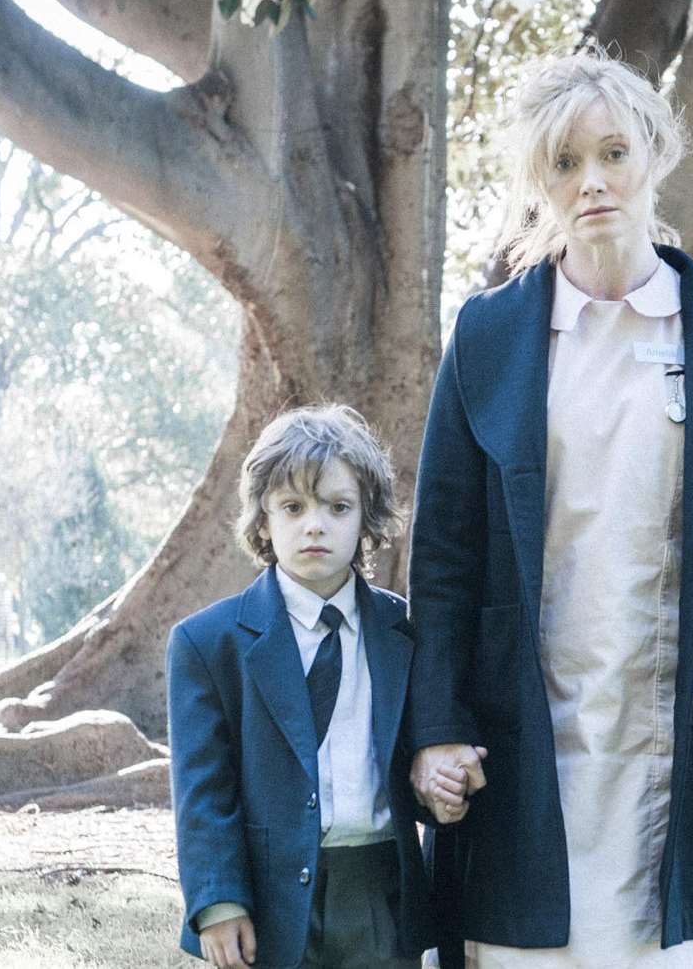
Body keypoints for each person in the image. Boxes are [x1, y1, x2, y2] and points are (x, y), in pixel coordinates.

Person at [404, 46, 693, 969]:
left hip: (681, 739)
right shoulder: (488, 337)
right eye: (564, 163)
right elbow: (444, 559)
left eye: (613, 154)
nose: (592, 182)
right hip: (523, 740)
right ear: (538, 183)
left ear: (656, 156)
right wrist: (436, 729)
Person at [167, 405, 436, 969]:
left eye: (338, 507)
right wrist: (218, 900)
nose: (315, 524)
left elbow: (422, 747)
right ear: (263, 521)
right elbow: (203, 791)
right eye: (293, 507)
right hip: (269, 898)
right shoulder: (207, 643)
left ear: (367, 519)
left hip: (381, 886)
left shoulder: (405, 631)